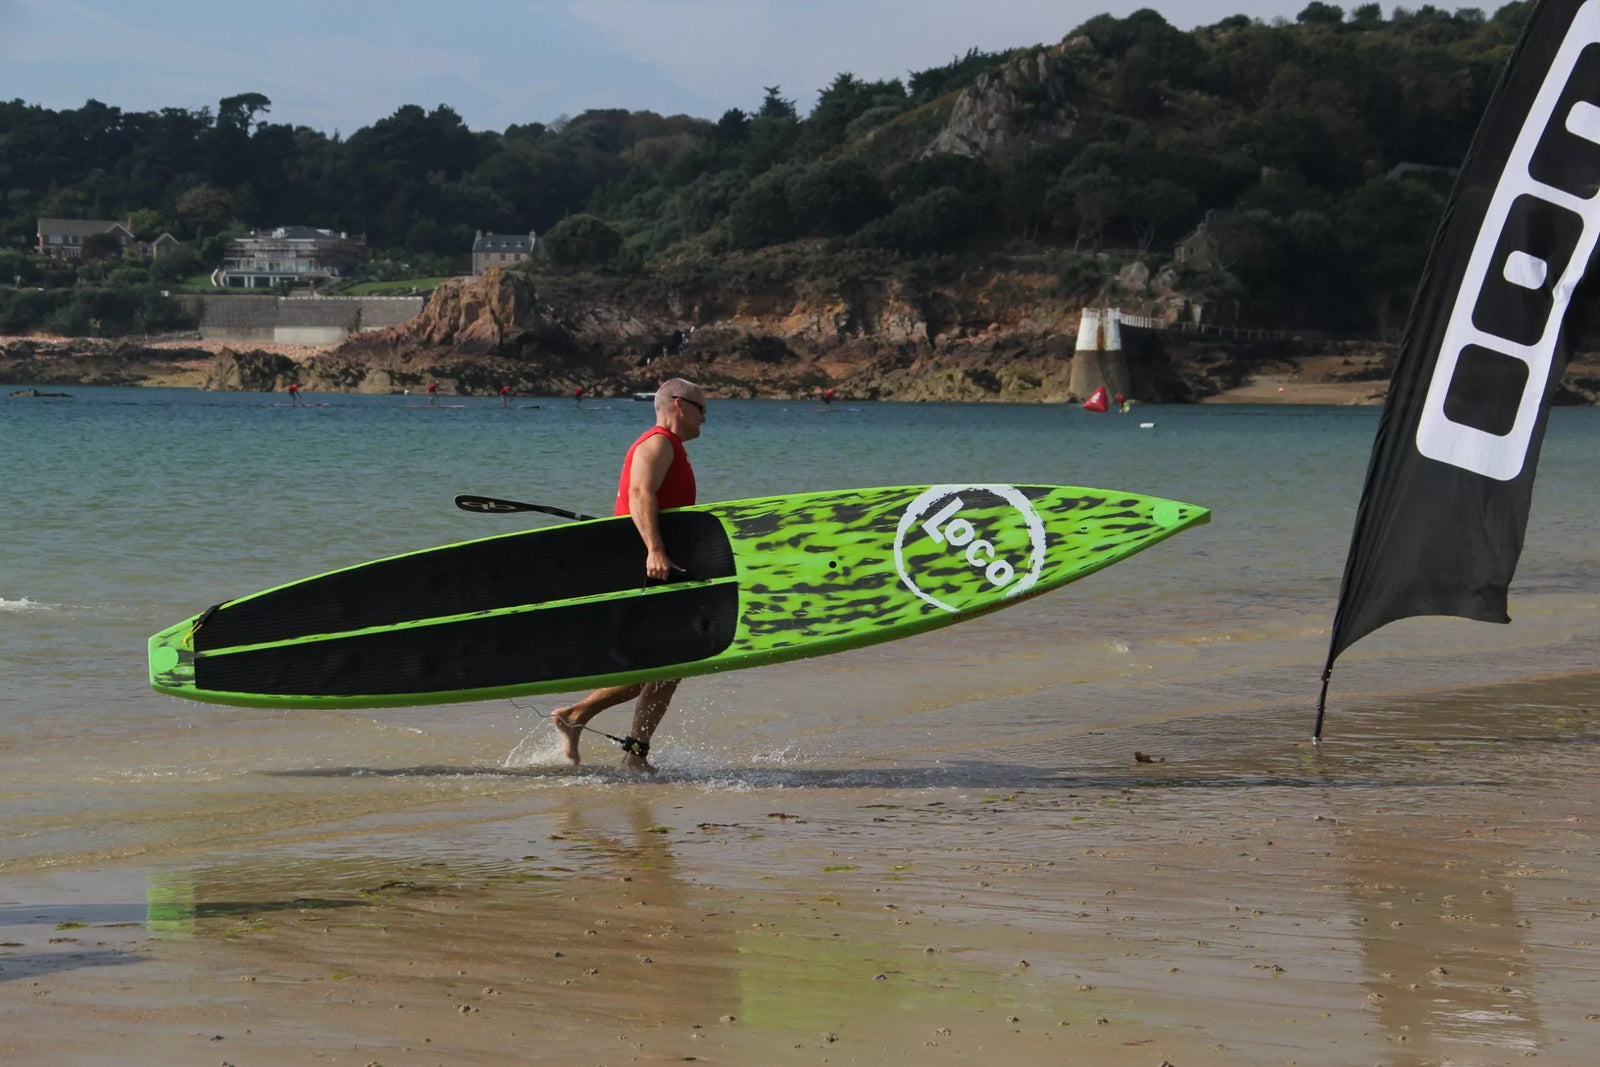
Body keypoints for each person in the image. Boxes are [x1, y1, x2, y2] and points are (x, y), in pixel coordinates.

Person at [551, 378, 707, 773]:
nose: (707, 418)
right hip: (647, 570)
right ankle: (581, 719)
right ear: (679, 404)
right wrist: (654, 550)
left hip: (661, 568)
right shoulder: (656, 443)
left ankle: (632, 754)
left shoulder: (672, 449)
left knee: (670, 668)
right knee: (657, 666)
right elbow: (639, 494)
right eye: (703, 409)